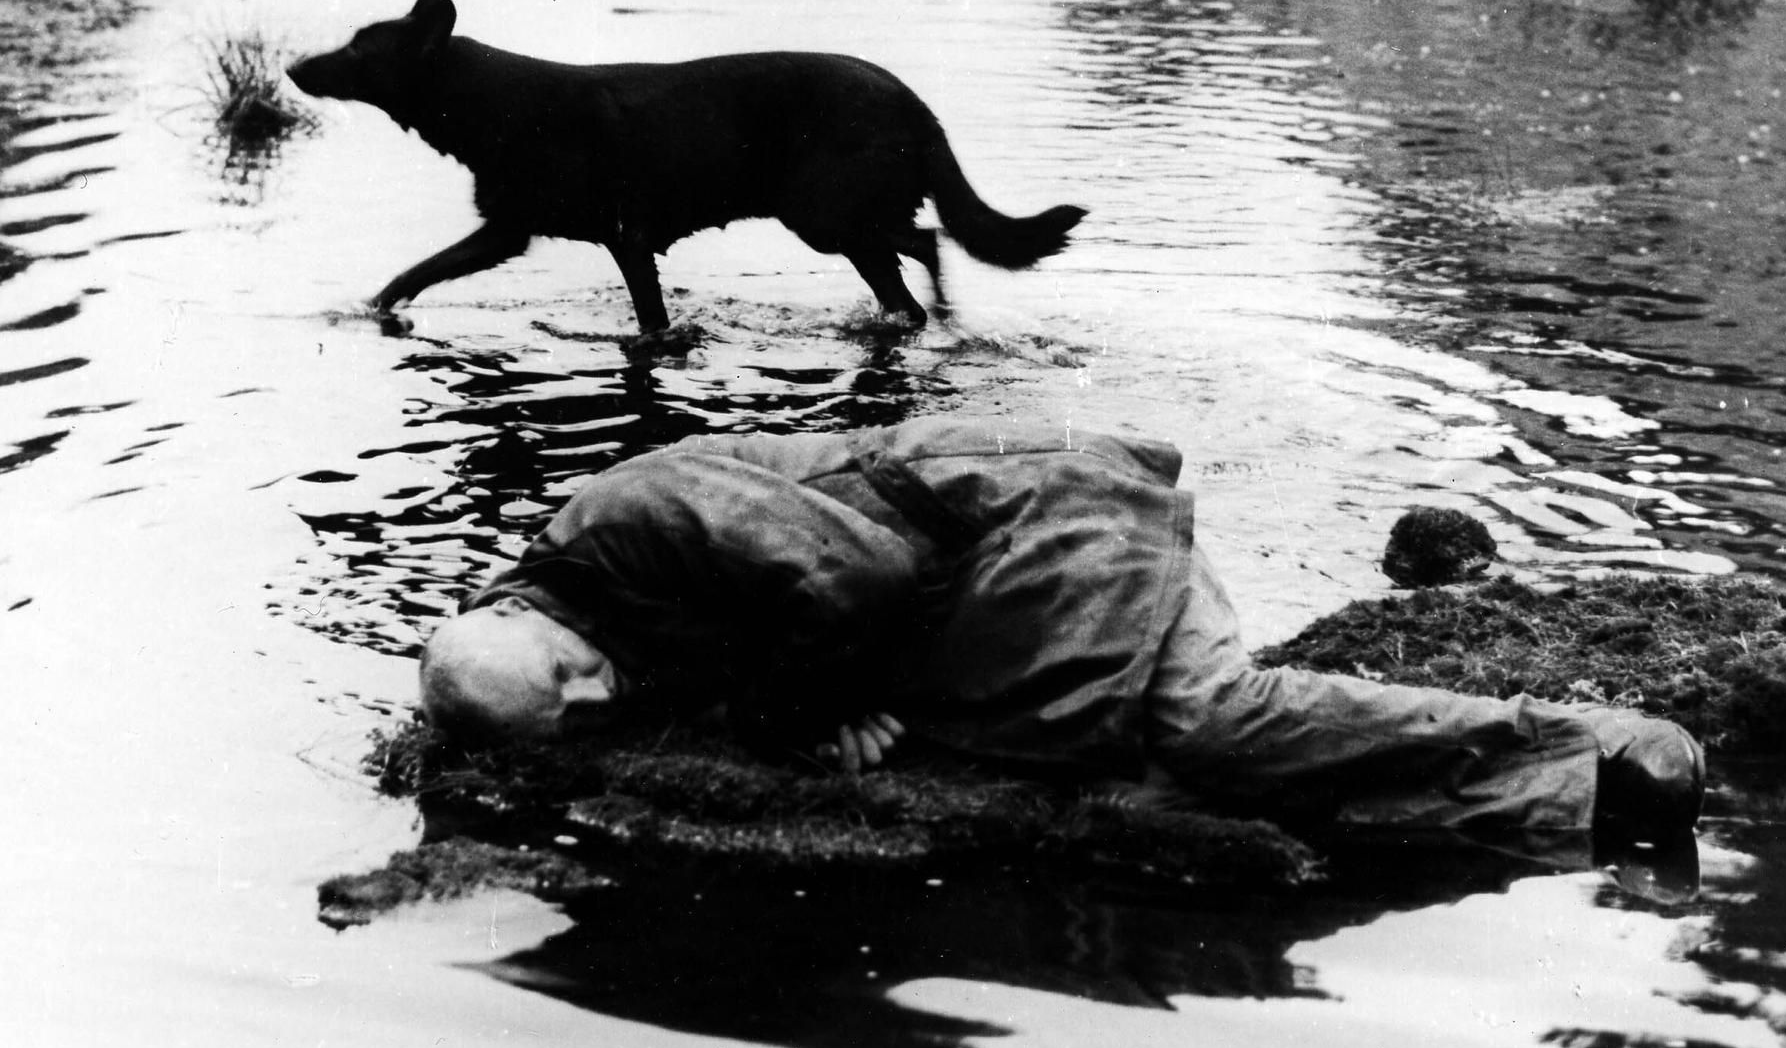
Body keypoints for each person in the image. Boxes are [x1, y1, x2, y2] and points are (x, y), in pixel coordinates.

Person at [420, 418, 1705, 844]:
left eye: (575, 682)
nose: (598, 706)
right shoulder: (580, 616)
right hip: (992, 582)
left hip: (1036, 522)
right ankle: (1568, 803)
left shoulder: (617, 517)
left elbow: (855, 576)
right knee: (1154, 768)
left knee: (1203, 728)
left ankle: (1596, 746)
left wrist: (799, 713)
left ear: (511, 614)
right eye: (570, 720)